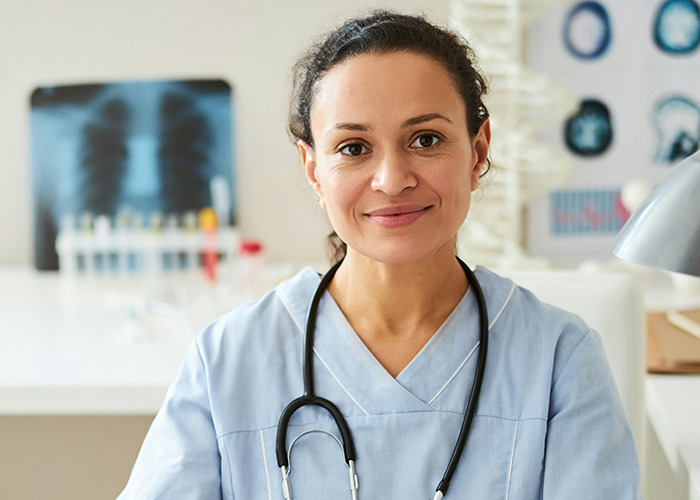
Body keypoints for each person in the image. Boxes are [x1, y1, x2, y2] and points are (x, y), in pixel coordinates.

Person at [118, 11, 641, 499]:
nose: (392, 180)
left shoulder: (560, 361)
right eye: (353, 148)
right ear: (313, 169)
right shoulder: (228, 361)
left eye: (426, 139)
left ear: (478, 150)